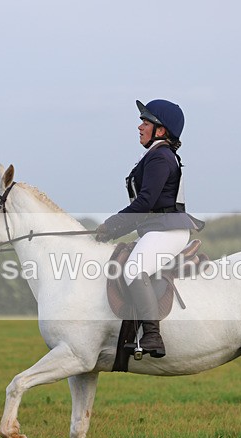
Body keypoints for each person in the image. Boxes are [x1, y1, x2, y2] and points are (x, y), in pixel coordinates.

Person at [96, 99, 204, 357]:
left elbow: (146, 203)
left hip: (168, 231)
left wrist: (111, 226)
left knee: (133, 270)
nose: (139, 126)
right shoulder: (156, 155)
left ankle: (153, 336)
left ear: (161, 130)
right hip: (158, 229)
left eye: (146, 122)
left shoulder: (160, 157)